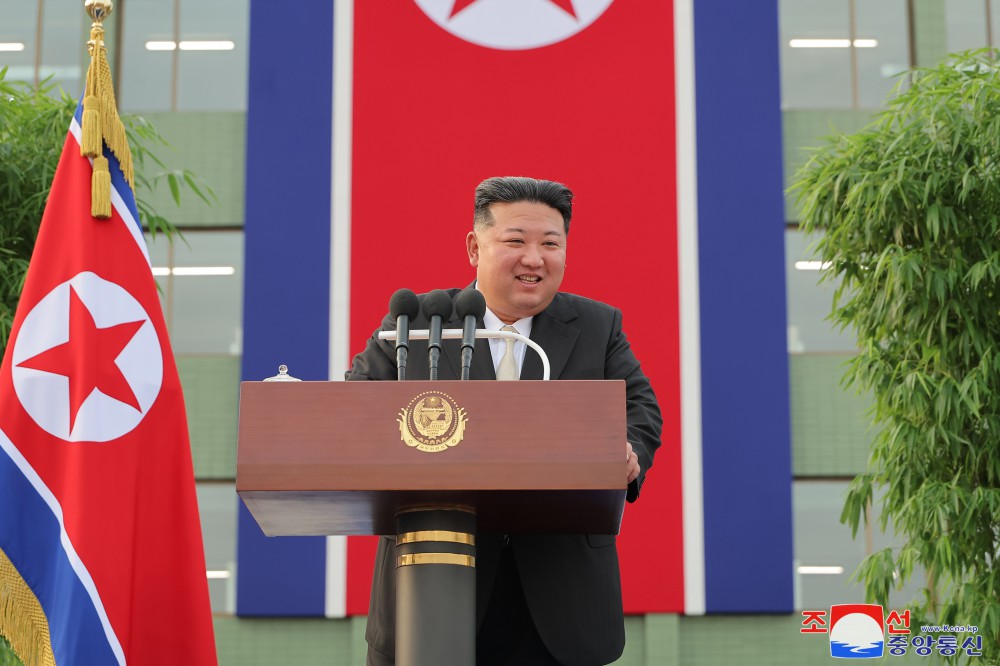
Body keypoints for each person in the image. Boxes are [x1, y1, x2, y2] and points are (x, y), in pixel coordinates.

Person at [346, 176, 662, 666]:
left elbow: (640, 409)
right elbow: (353, 412)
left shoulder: (598, 325)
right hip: (432, 585)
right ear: (475, 247)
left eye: (550, 244)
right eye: (515, 241)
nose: (534, 259)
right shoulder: (415, 325)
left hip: (564, 599)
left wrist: (630, 451)